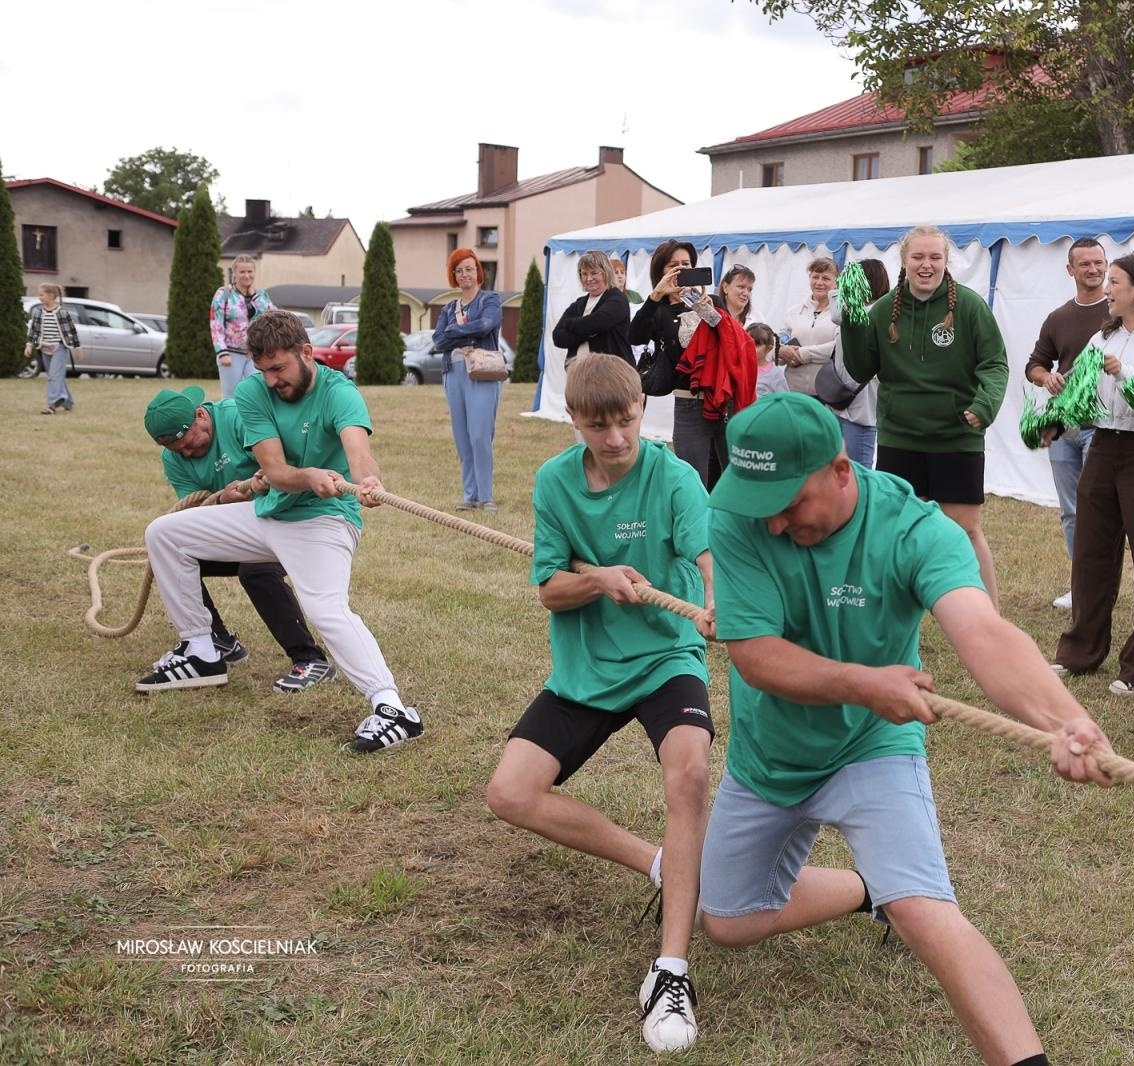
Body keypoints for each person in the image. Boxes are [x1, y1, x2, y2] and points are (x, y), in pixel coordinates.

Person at [699, 391, 1114, 1066]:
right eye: (758, 503)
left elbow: (984, 632)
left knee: (925, 912)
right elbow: (755, 655)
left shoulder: (915, 530)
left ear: (840, 471)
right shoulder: (742, 514)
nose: (771, 523)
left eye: (788, 501)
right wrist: (866, 682)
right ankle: (869, 890)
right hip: (769, 756)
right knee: (727, 921)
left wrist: (1066, 720)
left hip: (872, 747)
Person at [484, 355, 715, 1052]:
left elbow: (708, 561)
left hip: (666, 658)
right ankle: (656, 862)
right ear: (574, 420)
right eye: (598, 425)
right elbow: (549, 587)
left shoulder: (674, 476)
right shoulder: (554, 481)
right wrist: (598, 580)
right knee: (509, 793)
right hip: (586, 669)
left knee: (692, 773)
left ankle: (671, 971)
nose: (616, 438)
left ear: (644, 409)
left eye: (627, 420)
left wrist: (712, 605)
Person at [136, 310, 423, 754]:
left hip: (325, 518)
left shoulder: (339, 392)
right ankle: (202, 650)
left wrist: (367, 480)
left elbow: (358, 450)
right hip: (269, 512)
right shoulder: (253, 392)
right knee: (164, 534)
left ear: (306, 353)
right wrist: (308, 475)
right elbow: (275, 470)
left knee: (325, 608)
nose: (271, 379)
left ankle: (393, 710)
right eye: (263, 369)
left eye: (279, 368)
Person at [841, 226, 1009, 606]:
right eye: (918, 257)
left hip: (957, 436)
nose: (926, 265)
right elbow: (860, 368)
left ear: (946, 262)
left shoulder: (968, 306)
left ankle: (990, 618)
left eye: (935, 257)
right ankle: (894, 613)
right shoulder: (884, 310)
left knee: (964, 529)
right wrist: (853, 322)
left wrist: (984, 406)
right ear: (904, 261)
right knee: (896, 532)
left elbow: (994, 363)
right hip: (900, 437)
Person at [142, 385, 335, 693]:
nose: (187, 453)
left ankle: (310, 659)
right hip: (232, 529)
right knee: (172, 555)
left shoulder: (237, 418)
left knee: (255, 570)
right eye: (179, 450)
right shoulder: (173, 458)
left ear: (201, 415)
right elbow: (192, 514)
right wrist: (222, 503)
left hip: (285, 521)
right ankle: (216, 641)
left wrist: (250, 494)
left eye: (189, 442)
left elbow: (284, 468)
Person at [1051, 253, 1134, 695]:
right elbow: (1079, 386)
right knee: (1090, 554)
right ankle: (1080, 652)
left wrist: (1125, 374)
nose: (1106, 289)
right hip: (1102, 445)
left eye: (1115, 281)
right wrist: (1059, 396)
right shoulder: (1101, 336)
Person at [1025, 238, 1109, 610]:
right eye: (1085, 264)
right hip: (1062, 428)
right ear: (1070, 270)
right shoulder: (1058, 318)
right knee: (1071, 511)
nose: (1093, 270)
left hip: (1102, 426)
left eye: (1099, 263)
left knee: (1096, 508)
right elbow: (1035, 365)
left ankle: (1099, 585)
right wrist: (1047, 379)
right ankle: (1082, 587)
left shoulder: (1119, 311)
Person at [629, 240, 736, 490]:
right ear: (661, 271)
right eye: (673, 265)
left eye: (686, 264)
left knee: (733, 476)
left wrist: (708, 311)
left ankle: (731, 528)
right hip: (688, 401)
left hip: (723, 400)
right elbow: (635, 337)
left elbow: (730, 341)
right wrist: (656, 295)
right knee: (692, 479)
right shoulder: (658, 310)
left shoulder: (713, 301)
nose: (680, 270)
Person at [433, 248, 504, 512]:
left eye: (469, 269)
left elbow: (487, 325)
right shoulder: (449, 307)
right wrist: (459, 334)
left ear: (478, 272)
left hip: (482, 372)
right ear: (454, 276)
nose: (465, 274)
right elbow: (438, 340)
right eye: (459, 270)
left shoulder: (490, 300)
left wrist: (455, 332)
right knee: (462, 437)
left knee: (479, 435)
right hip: (453, 373)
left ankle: (486, 497)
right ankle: (470, 495)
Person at [824, 257, 889, 467]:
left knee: (858, 472)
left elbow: (835, 313)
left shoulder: (877, 314)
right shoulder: (860, 312)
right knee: (841, 468)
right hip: (844, 401)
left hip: (861, 408)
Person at [552, 251, 632, 370]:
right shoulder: (579, 304)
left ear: (606, 273)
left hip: (612, 374)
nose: (589, 279)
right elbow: (558, 337)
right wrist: (589, 332)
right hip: (578, 374)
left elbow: (597, 322)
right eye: (584, 274)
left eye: (594, 273)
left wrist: (568, 323)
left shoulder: (617, 299)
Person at [210, 255, 276, 399]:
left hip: (255, 353)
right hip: (231, 354)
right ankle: (227, 420)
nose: (247, 275)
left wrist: (253, 296)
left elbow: (273, 316)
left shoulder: (261, 295)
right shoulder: (224, 294)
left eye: (250, 272)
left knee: (258, 393)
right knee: (230, 396)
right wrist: (222, 352)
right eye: (242, 272)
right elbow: (216, 324)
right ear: (234, 273)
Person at [778, 256, 840, 396]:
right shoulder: (794, 311)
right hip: (794, 391)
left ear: (836, 283)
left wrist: (802, 354)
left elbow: (837, 348)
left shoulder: (842, 313)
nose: (819, 282)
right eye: (815, 277)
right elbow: (781, 341)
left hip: (828, 394)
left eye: (826, 278)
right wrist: (781, 351)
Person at [25, 283, 81, 414]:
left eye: (41, 295)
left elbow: (72, 331)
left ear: (51, 296)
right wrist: (29, 344)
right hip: (45, 348)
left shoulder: (62, 313)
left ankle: (52, 405)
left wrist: (78, 348)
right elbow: (34, 329)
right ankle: (68, 402)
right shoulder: (38, 312)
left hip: (59, 348)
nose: (40, 297)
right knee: (55, 376)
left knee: (54, 377)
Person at [747, 323, 788, 399]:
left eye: (756, 345)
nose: (750, 348)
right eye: (748, 343)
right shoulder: (739, 369)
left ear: (768, 349)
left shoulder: (775, 374)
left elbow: (784, 400)